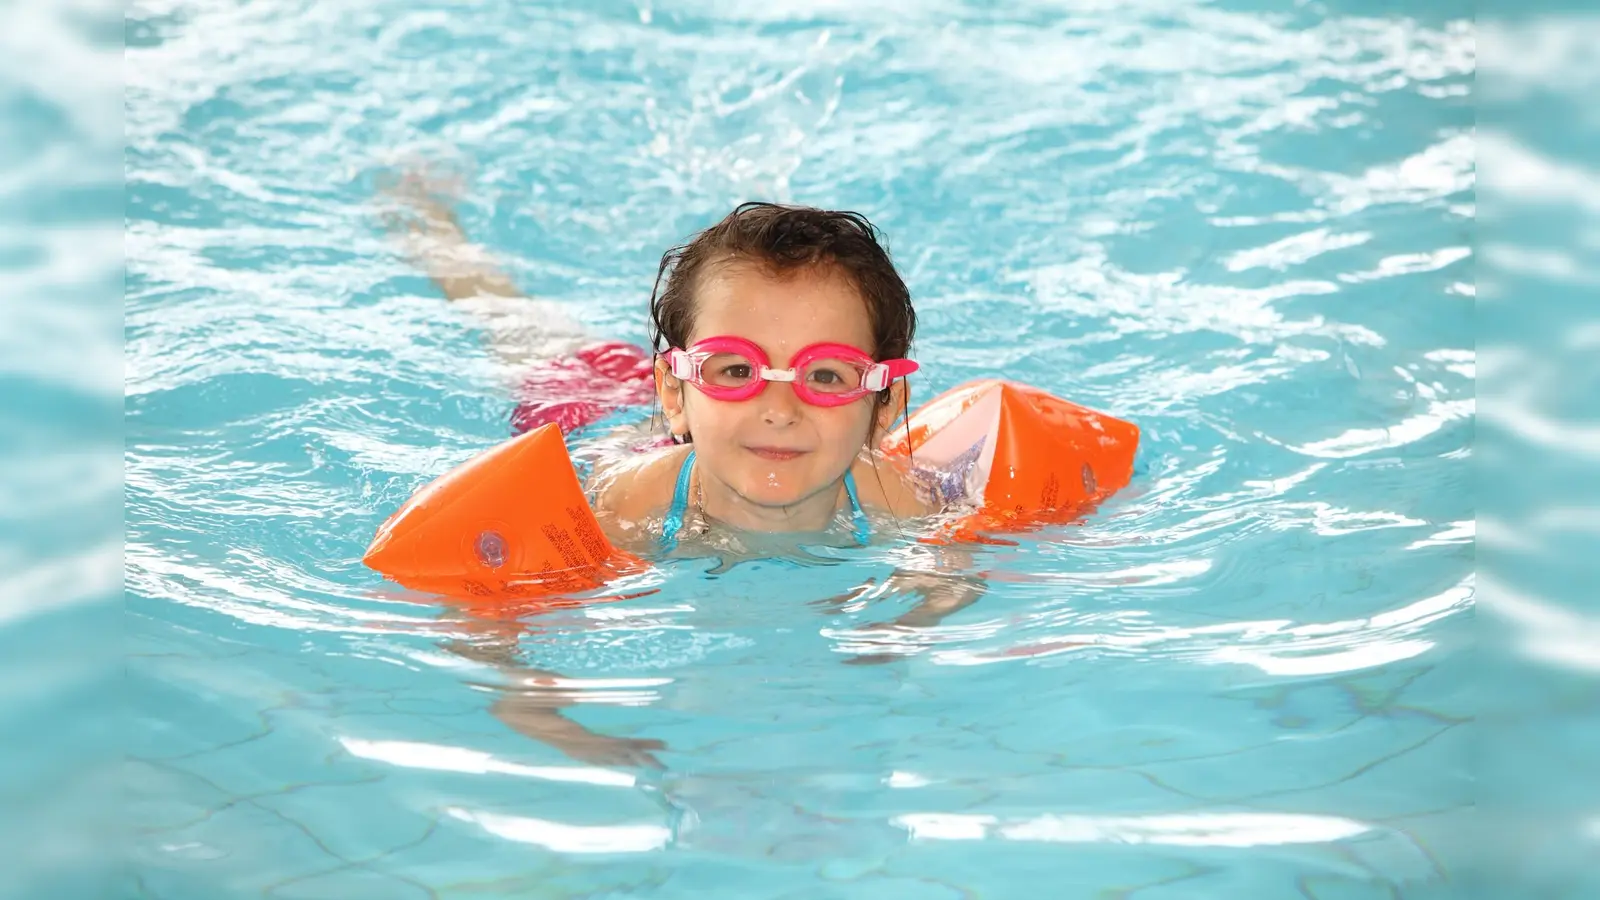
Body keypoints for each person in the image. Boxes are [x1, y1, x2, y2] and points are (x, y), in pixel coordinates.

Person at [380, 168, 986, 767]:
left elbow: (953, 579)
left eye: (826, 375)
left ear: (884, 406)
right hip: (589, 414)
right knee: (508, 320)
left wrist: (900, 633)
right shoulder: (619, 515)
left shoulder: (904, 501)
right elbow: (485, 628)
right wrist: (551, 719)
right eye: (736, 369)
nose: (779, 410)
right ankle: (426, 217)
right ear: (674, 392)